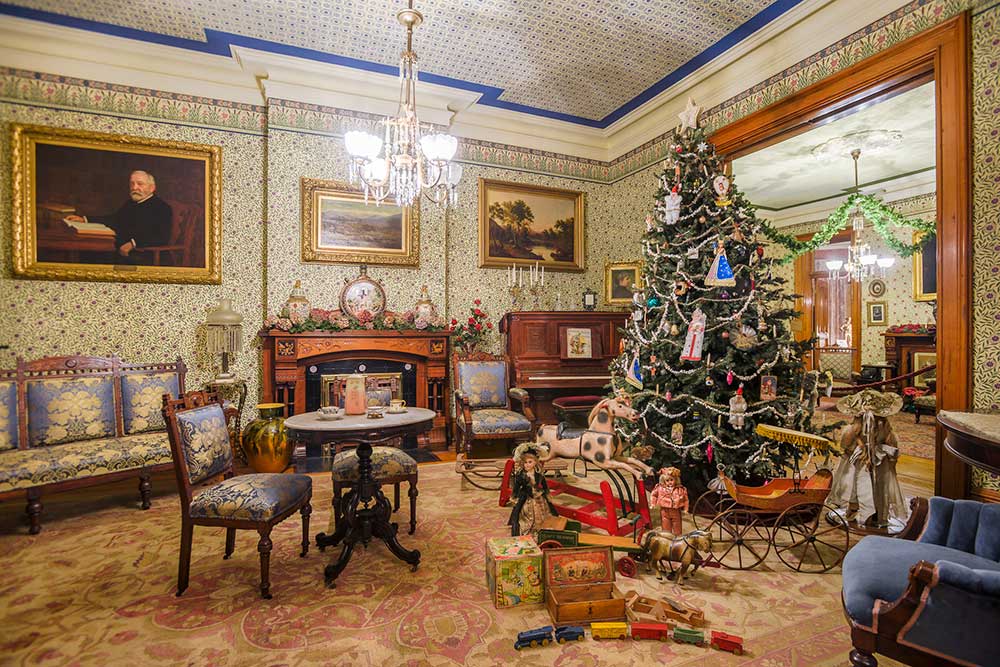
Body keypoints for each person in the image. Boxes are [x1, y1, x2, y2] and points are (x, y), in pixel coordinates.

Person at [65, 170, 173, 263]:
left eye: (140, 184)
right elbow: (114, 219)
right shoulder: (131, 203)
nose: (134, 188)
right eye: (132, 184)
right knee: (85, 252)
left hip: (144, 255)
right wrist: (85, 219)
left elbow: (162, 236)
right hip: (119, 249)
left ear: (152, 188)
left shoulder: (162, 208)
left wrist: (132, 244)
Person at [507, 442, 559, 537]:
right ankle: (529, 528)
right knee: (525, 514)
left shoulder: (539, 474)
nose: (527, 465)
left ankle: (541, 528)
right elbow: (517, 487)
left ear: (535, 462)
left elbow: (544, 484)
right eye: (525, 463)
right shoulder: (521, 475)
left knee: (542, 513)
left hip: (539, 496)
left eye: (530, 462)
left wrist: (547, 494)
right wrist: (514, 497)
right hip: (526, 498)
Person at [650, 466, 688, 534]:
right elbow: (654, 495)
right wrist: (653, 503)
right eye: (667, 480)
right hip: (664, 511)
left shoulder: (680, 489)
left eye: (671, 480)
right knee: (666, 527)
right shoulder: (660, 488)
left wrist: (686, 508)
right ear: (663, 481)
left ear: (676, 480)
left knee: (677, 527)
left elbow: (685, 499)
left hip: (675, 511)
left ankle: (678, 539)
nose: (669, 482)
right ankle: (667, 539)